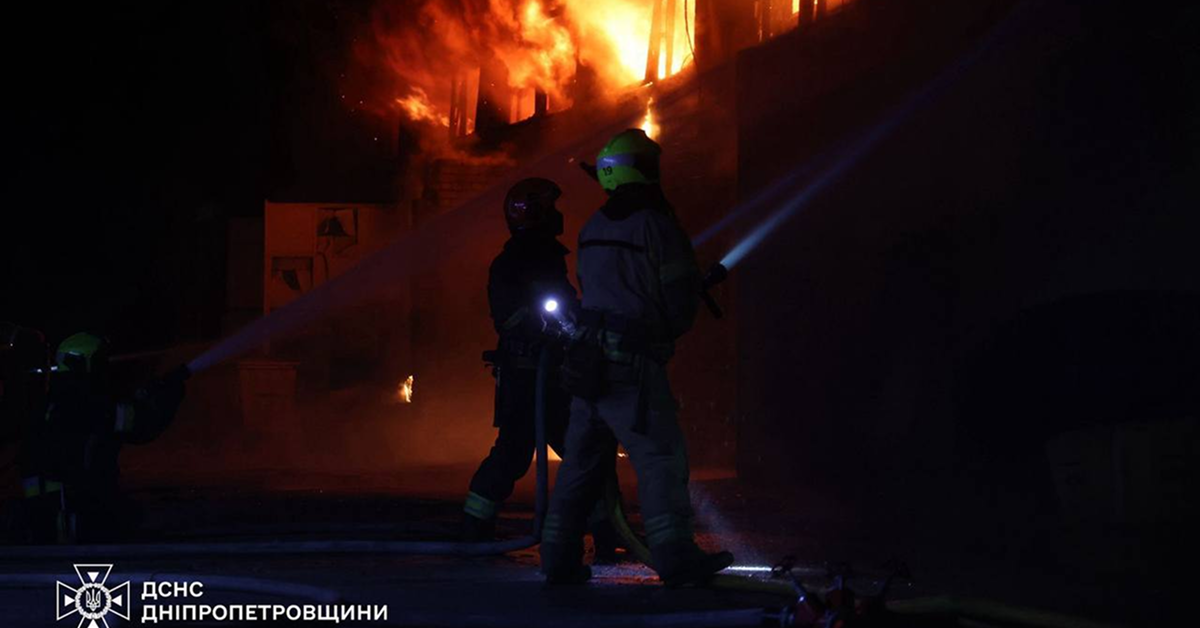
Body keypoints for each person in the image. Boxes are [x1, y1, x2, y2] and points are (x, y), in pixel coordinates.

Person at [540, 129, 733, 586]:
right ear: (644, 171)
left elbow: (597, 291)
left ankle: (556, 555)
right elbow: (677, 299)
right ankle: (675, 556)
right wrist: (673, 319)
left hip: (588, 366)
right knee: (659, 458)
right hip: (632, 370)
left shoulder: (592, 227)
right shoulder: (657, 225)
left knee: (580, 465)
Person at [462, 178, 619, 558]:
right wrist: (547, 327)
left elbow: (562, 306)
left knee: (575, 450)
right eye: (550, 208)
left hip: (548, 374)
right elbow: (510, 317)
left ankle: (606, 531)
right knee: (525, 451)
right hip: (526, 376)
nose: (558, 215)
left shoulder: (545, 257)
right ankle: (475, 526)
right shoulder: (514, 262)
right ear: (533, 214)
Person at [18, 332, 187, 542]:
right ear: (84, 364)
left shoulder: (53, 403)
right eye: (100, 361)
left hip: (49, 518)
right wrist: (170, 393)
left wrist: (145, 394)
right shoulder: (83, 405)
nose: (106, 368)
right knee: (147, 522)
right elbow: (144, 425)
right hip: (79, 516)